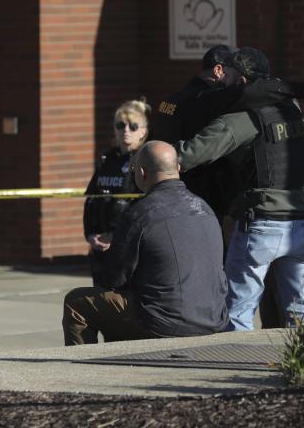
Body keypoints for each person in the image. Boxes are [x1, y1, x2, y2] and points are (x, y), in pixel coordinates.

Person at [175, 48, 304, 330]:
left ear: (241, 81)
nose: (223, 85)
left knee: (238, 312)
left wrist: (157, 155)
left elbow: (191, 154)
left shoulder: (242, 119)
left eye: (227, 78)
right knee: (301, 313)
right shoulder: (294, 111)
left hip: (263, 224)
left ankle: (234, 367)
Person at [62, 141, 229, 345]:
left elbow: (114, 277)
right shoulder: (205, 209)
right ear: (177, 168)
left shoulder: (140, 213)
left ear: (141, 172)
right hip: (214, 318)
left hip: (164, 322)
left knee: (77, 302)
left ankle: (85, 372)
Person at [83, 99, 148, 286]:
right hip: (100, 246)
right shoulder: (106, 160)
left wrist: (116, 237)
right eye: (120, 125)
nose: (126, 130)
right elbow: (91, 200)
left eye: (133, 126)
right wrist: (90, 234)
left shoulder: (144, 162)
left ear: (143, 131)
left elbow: (142, 208)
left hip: (127, 247)